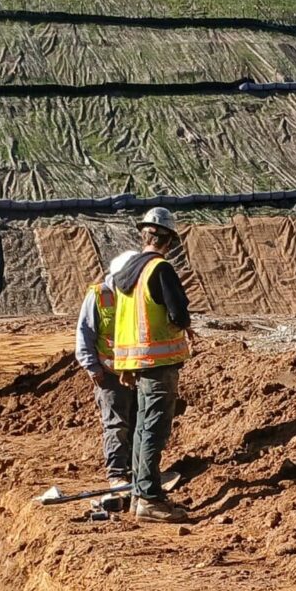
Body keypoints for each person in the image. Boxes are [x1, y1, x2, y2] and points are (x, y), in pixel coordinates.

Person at [112, 208, 196, 523]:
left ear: (144, 235)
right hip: (159, 362)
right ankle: (149, 497)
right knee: (154, 430)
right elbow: (178, 314)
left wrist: (124, 363)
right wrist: (184, 326)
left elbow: (125, 321)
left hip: (137, 361)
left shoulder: (128, 272)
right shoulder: (159, 269)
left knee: (142, 427)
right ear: (169, 240)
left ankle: (139, 493)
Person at [75, 250, 138, 490]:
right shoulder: (99, 296)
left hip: (136, 370)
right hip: (109, 373)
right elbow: (84, 333)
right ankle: (117, 473)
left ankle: (137, 470)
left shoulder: (136, 295)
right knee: (116, 424)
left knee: (137, 422)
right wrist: (92, 367)